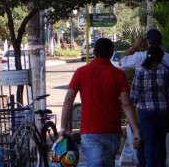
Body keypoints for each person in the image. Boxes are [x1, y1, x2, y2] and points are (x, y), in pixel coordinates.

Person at [60, 38, 141, 166]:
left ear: (95, 52)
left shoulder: (81, 72)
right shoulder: (119, 75)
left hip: (89, 131)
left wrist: (63, 127)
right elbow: (126, 104)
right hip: (112, 131)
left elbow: (68, 99)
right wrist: (136, 130)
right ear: (111, 53)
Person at [130, 45, 169, 167]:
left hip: (145, 113)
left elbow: (134, 96)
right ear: (161, 57)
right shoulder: (166, 70)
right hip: (162, 111)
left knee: (149, 143)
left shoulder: (140, 71)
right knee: (161, 142)